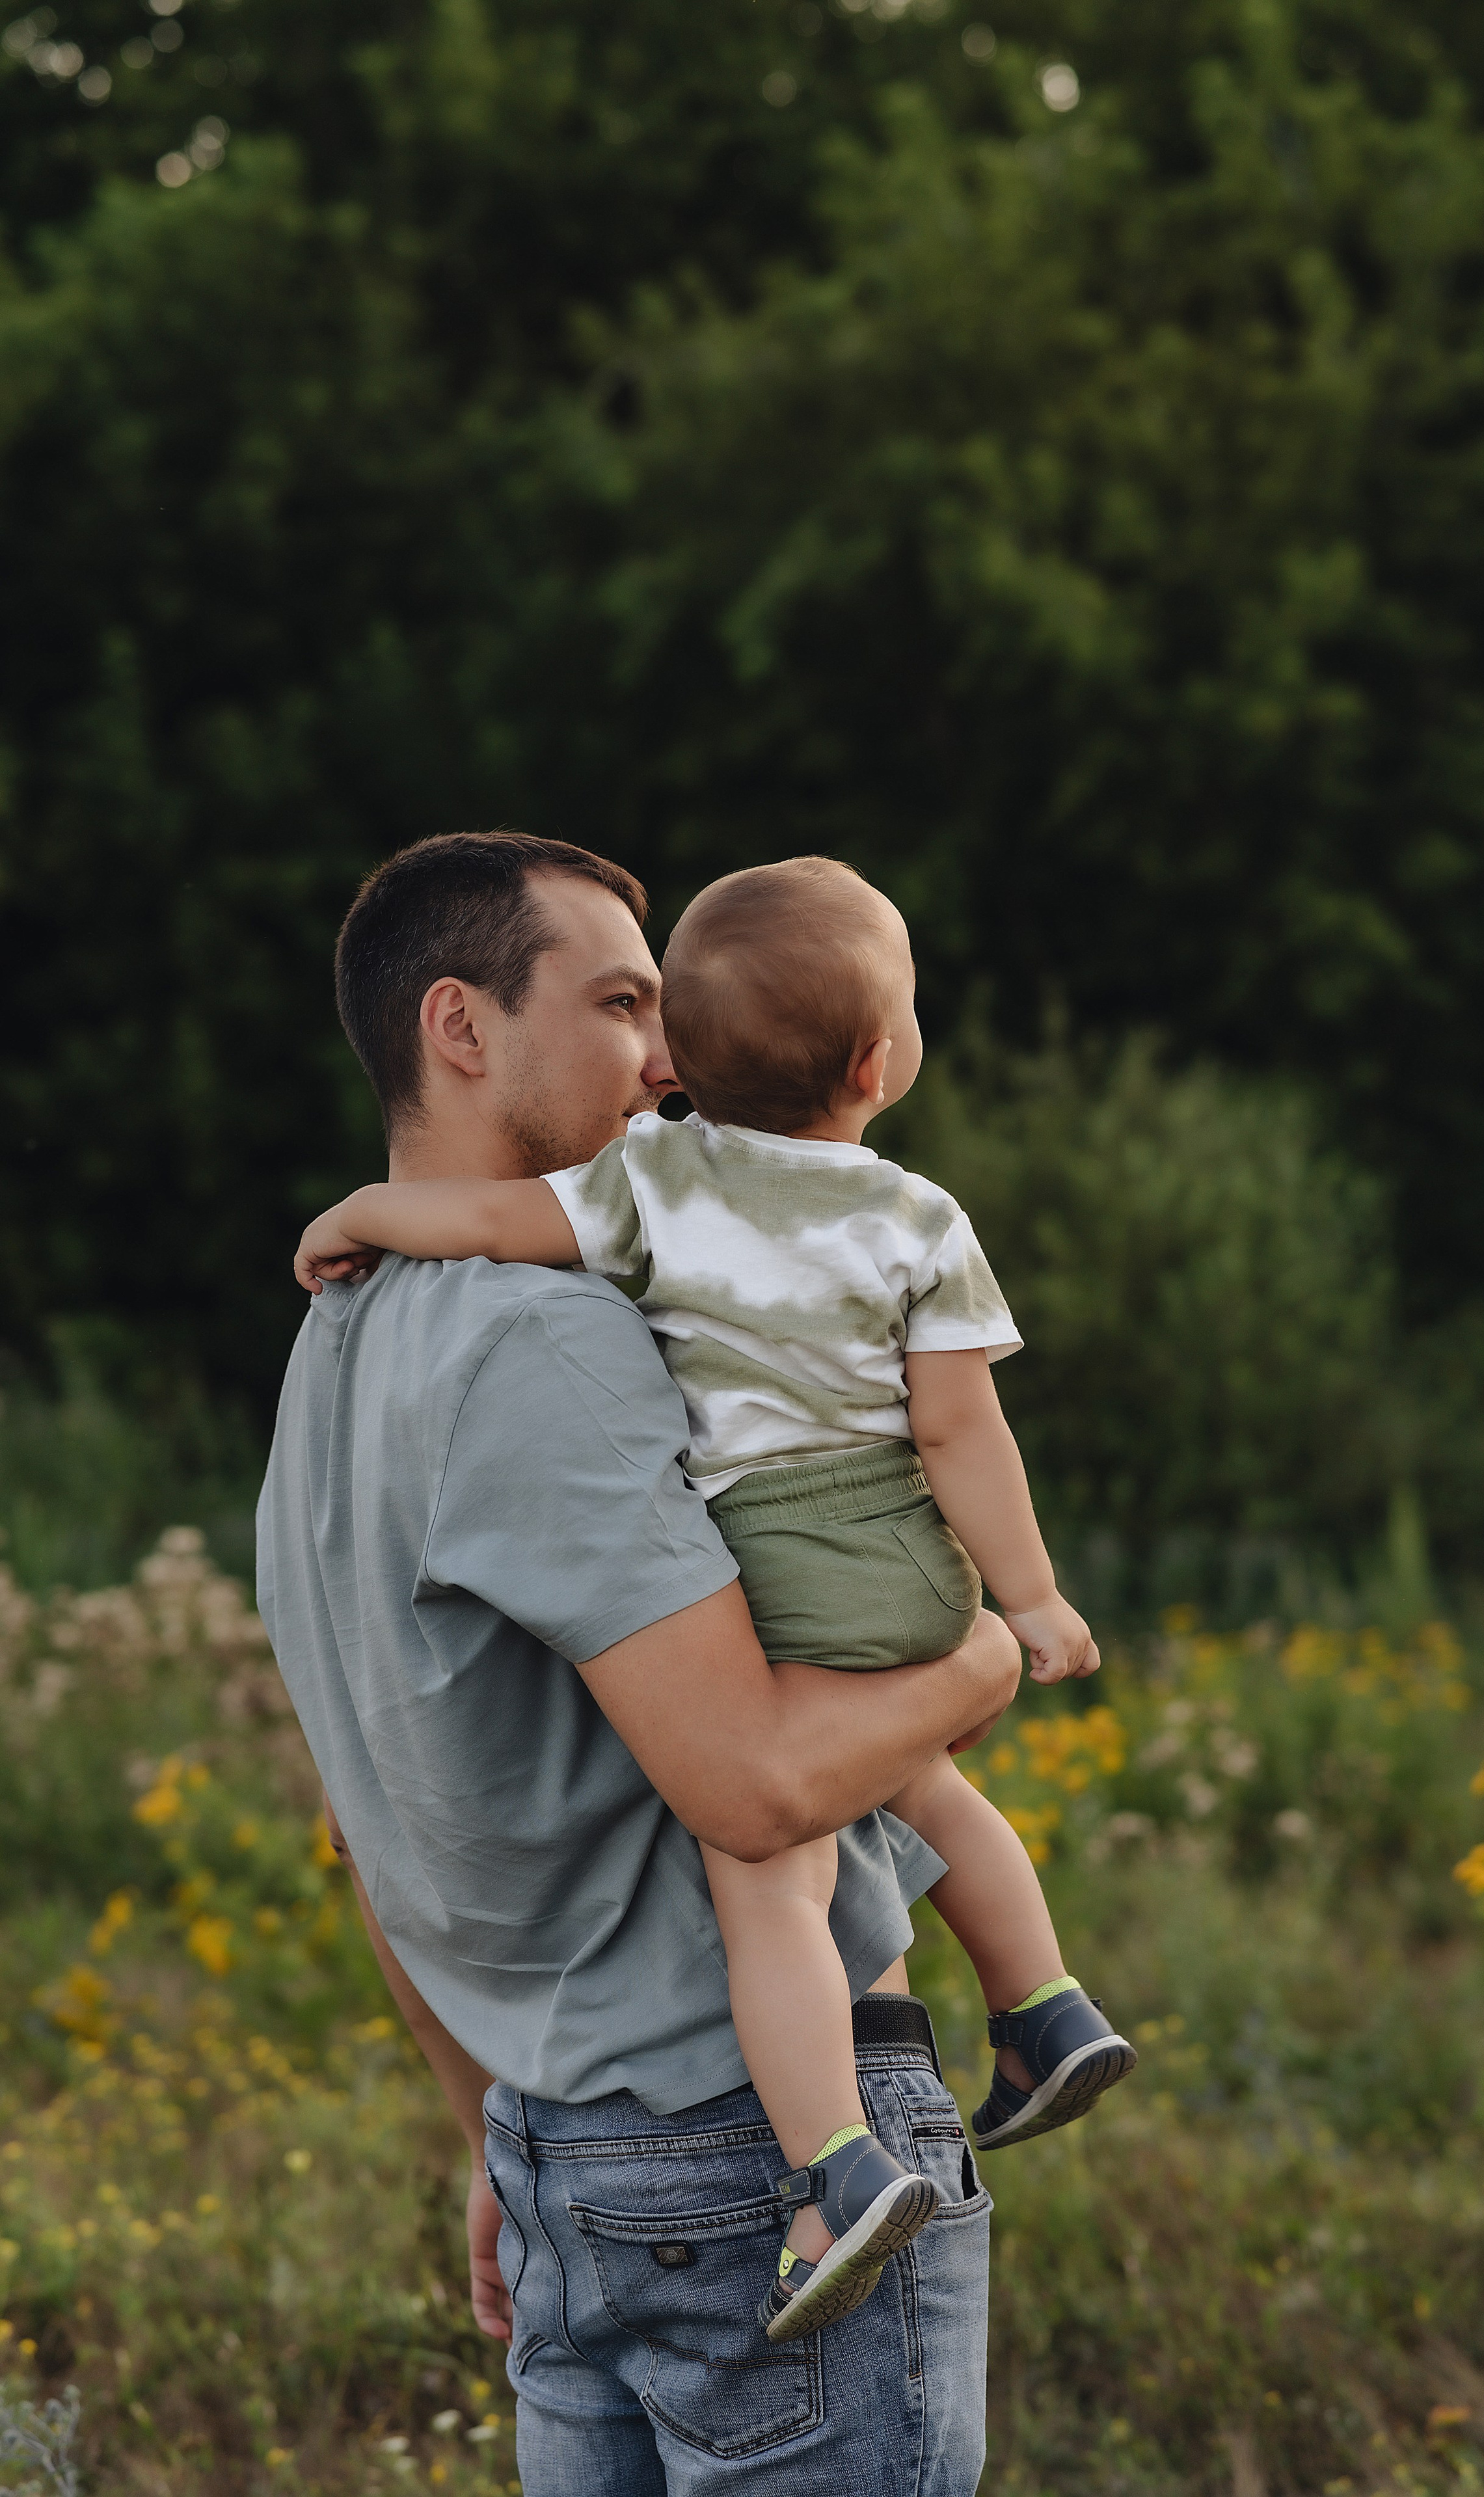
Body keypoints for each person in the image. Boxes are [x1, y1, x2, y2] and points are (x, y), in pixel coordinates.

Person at [256, 831, 1022, 2496]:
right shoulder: (551, 1333)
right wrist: (985, 1651)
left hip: (568, 2152)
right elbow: (749, 1787)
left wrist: (506, 2131)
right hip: (754, 2160)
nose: (670, 1060)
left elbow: (378, 1834)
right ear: (460, 1027)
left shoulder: (336, 1348)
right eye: (619, 1004)